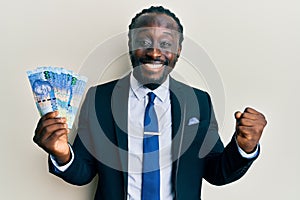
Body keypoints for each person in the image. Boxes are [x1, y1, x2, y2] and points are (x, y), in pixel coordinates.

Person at [33, 6, 267, 200]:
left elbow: (216, 172)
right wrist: (62, 154)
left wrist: (244, 148)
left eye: (165, 44)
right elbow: (84, 172)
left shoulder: (199, 101)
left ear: (178, 50)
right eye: (144, 41)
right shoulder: (100, 98)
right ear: (130, 45)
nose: (155, 53)